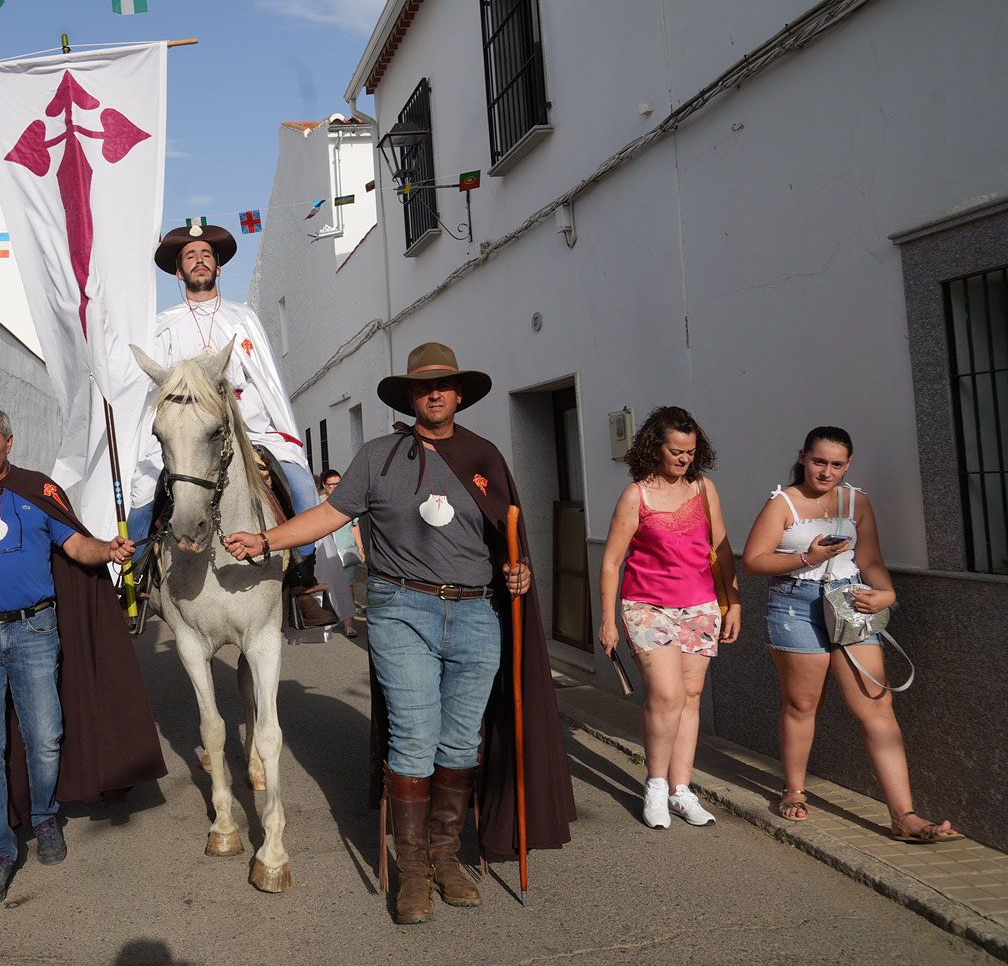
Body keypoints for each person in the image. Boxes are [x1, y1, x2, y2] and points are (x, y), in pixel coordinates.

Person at [224, 343, 576, 924]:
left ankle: (445, 858)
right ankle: (413, 870)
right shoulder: (378, 456)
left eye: (445, 385)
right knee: (414, 735)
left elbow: (507, 542)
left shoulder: (484, 457)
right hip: (400, 610)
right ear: (411, 397)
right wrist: (269, 540)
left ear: (460, 394)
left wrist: (519, 573)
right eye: (423, 387)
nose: (435, 394)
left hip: (476, 614)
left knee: (461, 742)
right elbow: (331, 515)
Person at [0, 407, 168, 906]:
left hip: (35, 630)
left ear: (9, 440)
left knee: (45, 737)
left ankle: (45, 817)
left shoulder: (38, 489)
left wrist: (108, 550)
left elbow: (76, 547)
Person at [741, 426, 962, 842]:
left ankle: (905, 817)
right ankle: (793, 790)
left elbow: (871, 559)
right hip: (795, 603)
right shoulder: (784, 502)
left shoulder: (856, 501)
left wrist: (887, 593)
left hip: (850, 603)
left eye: (836, 464)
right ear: (803, 456)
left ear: (848, 464)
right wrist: (808, 556)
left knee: (877, 705)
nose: (826, 472)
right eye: (819, 461)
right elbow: (753, 561)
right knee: (803, 704)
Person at [129, 223, 330, 623]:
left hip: (251, 426)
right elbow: (153, 386)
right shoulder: (162, 325)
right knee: (141, 494)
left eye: (206, 255)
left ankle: (303, 582)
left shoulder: (244, 319)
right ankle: (136, 583)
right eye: (190, 256)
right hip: (187, 432)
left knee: (303, 482)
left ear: (218, 268)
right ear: (178, 272)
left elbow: (266, 380)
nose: (199, 261)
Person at [598, 406, 739, 830]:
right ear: (654, 448)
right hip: (647, 605)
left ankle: (682, 790)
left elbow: (723, 550)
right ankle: (656, 784)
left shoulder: (704, 489)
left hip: (700, 605)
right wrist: (608, 620)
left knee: (691, 696)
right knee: (666, 694)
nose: (684, 459)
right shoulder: (635, 495)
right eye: (676, 451)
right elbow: (611, 563)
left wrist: (733, 602)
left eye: (691, 452)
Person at [320, 468, 366, 638]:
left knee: (347, 588)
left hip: (346, 551)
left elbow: (355, 526)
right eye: (331, 485)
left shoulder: (348, 501)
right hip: (325, 553)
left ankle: (349, 625)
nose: (335, 487)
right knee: (327, 586)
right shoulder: (318, 503)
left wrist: (361, 549)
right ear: (324, 485)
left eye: (338, 484)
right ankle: (327, 620)